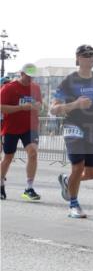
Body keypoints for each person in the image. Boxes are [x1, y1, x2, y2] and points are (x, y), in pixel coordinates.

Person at [49, 45, 93, 218]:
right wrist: (75, 104)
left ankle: (68, 181)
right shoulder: (69, 81)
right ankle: (73, 205)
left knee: (92, 173)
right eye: (86, 55)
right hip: (73, 126)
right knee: (78, 166)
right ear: (78, 58)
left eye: (92, 54)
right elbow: (53, 109)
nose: (90, 57)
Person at [0, 64, 43, 201]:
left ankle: (29, 188)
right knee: (8, 158)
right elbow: (2, 108)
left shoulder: (35, 87)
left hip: (31, 126)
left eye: (32, 76)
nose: (30, 79)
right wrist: (21, 107)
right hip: (11, 127)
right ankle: (1, 183)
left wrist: (36, 106)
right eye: (28, 75)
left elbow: (40, 104)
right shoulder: (8, 88)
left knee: (33, 153)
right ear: (21, 73)